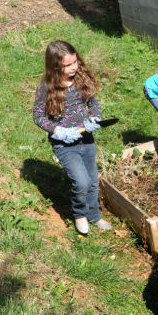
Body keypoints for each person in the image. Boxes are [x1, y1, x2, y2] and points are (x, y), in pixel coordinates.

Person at [33, 40, 111, 235]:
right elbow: (38, 116)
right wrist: (58, 131)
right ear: (55, 66)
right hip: (65, 144)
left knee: (92, 180)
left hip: (86, 139)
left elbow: (94, 104)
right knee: (81, 181)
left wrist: (95, 118)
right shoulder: (46, 87)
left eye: (75, 62)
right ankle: (79, 214)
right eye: (67, 65)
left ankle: (94, 215)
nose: (73, 67)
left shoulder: (80, 78)